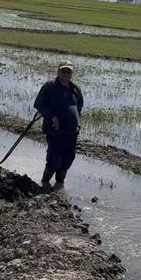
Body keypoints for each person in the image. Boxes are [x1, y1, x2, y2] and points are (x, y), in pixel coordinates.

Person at [33, 61, 84, 191]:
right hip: (55, 131)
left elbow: (79, 107)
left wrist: (77, 123)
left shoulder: (75, 89)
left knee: (68, 159)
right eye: (63, 71)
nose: (66, 74)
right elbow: (39, 104)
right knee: (54, 159)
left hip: (72, 133)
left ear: (71, 73)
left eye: (68, 71)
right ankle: (44, 183)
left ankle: (60, 184)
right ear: (58, 72)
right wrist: (52, 116)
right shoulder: (49, 87)